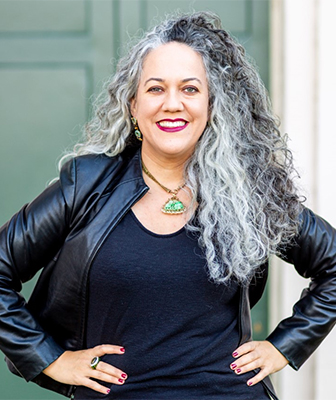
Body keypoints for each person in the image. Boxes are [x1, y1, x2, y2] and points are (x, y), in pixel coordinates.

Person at [0, 11, 335, 400]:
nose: (172, 103)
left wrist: (283, 347)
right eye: (156, 89)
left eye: (190, 89)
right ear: (133, 106)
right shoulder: (85, 185)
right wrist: (52, 360)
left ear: (212, 106)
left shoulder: (250, 191)